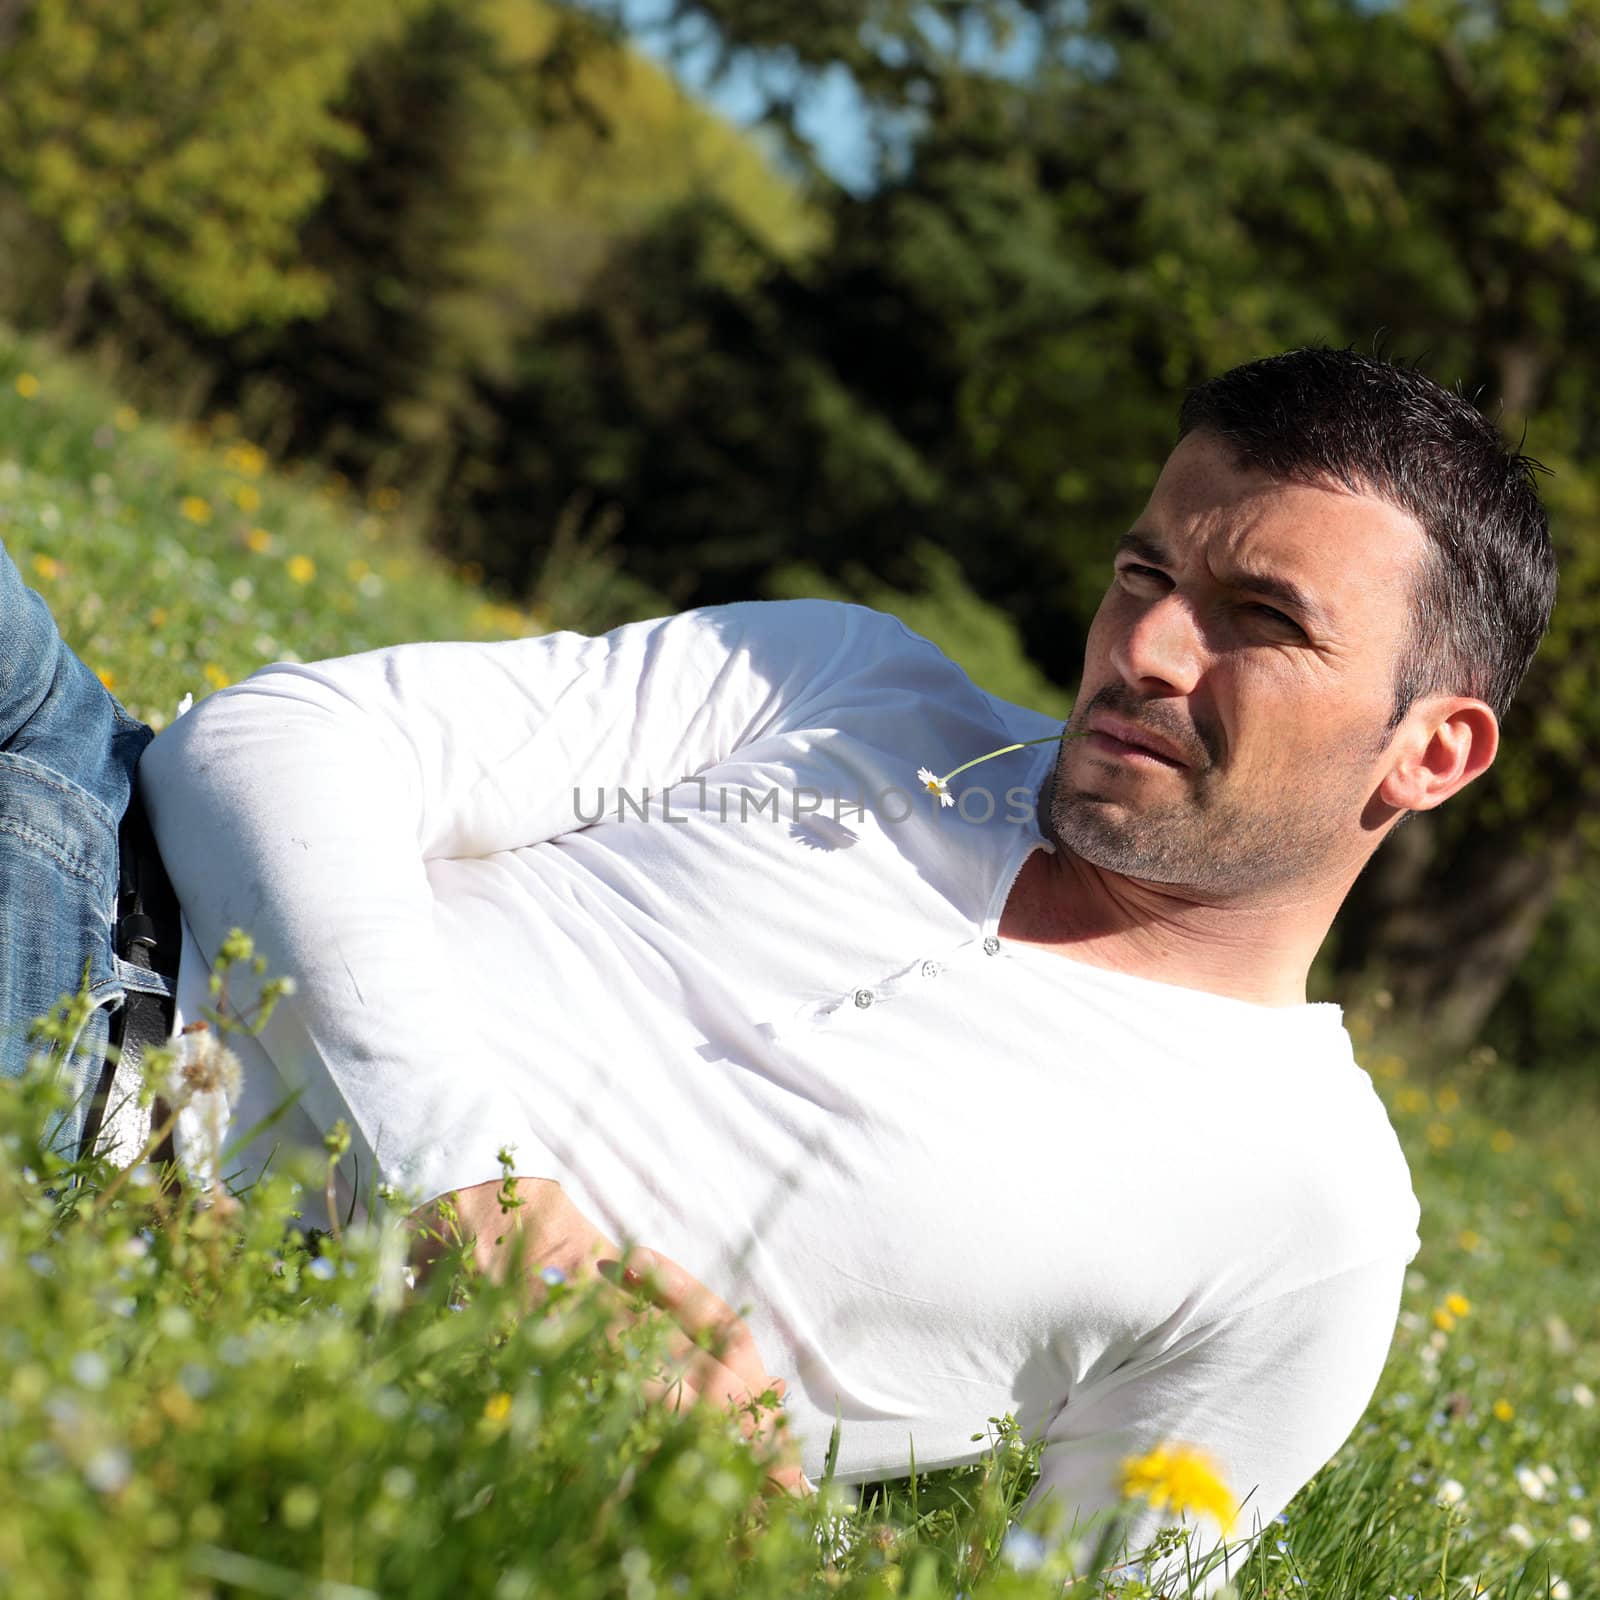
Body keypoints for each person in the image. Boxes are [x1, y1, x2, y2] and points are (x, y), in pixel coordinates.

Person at [3, 347, 1556, 1590]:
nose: (1144, 650)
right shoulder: (851, 681)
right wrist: (475, 1199)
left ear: (1436, 745)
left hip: (83, 1048)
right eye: (1143, 576)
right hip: (86, 756)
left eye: (1259, 621)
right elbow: (264, 741)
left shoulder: (1307, 1221)